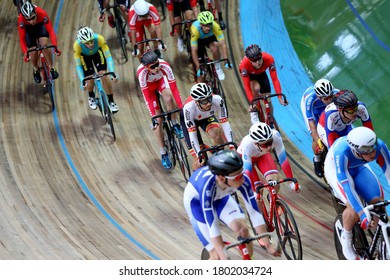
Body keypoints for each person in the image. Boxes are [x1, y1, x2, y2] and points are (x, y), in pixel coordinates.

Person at [183, 150, 281, 260]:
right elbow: (212, 226)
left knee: (243, 230)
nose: (243, 179)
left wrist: (268, 244)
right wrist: (222, 254)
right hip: (197, 205)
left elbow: (255, 213)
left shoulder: (241, 179)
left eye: (242, 173)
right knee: (217, 256)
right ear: (221, 178)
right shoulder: (207, 187)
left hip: (220, 197)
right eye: (238, 178)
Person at [324, 127, 390, 260]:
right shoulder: (341, 152)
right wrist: (361, 213)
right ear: (356, 151)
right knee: (353, 208)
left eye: (373, 147)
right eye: (366, 150)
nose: (372, 153)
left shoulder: (379, 147)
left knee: (379, 203)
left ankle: (380, 243)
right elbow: (347, 187)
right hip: (337, 171)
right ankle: (346, 241)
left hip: (359, 168)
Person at [136, 51, 184, 169]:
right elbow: (147, 97)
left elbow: (174, 90)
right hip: (149, 89)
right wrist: (154, 117)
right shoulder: (142, 74)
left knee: (169, 99)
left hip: (160, 82)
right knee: (158, 120)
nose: (157, 68)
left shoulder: (165, 66)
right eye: (153, 67)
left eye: (157, 64)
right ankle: (163, 152)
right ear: (146, 68)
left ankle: (174, 123)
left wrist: (182, 107)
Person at [237, 122, 301, 194]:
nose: (269, 147)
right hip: (246, 161)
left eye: (270, 142)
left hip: (262, 155)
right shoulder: (247, 144)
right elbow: (248, 171)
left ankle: (273, 201)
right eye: (265, 145)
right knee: (258, 191)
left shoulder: (275, 136)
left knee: (275, 184)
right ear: (256, 143)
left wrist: (291, 183)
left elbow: (283, 160)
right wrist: (253, 192)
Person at [181, 83, 233, 170]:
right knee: (200, 161)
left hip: (206, 117)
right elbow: (192, 134)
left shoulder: (217, 100)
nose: (209, 103)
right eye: (204, 101)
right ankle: (196, 181)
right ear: (197, 102)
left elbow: (225, 123)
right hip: (190, 121)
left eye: (209, 99)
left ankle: (217, 159)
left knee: (217, 133)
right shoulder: (189, 108)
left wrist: (232, 145)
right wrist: (198, 154)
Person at [239, 44, 288, 126]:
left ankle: (270, 119)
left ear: (261, 55)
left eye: (259, 59)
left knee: (268, 100)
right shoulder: (244, 65)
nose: (257, 62)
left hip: (261, 74)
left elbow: (275, 79)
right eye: (254, 61)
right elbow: (247, 87)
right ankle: (255, 111)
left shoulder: (269, 58)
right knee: (255, 88)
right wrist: (252, 102)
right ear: (250, 60)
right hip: (250, 76)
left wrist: (280, 98)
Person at [73, 26, 119, 113]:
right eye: (87, 43)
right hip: (84, 57)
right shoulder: (77, 46)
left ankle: (111, 101)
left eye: (91, 41)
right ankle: (91, 95)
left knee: (104, 75)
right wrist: (82, 80)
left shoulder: (99, 39)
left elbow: (108, 57)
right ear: (82, 43)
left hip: (97, 53)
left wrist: (113, 73)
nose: (90, 44)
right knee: (89, 79)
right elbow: (78, 66)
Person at [300, 78, 339, 177]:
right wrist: (318, 140)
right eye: (326, 98)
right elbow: (312, 126)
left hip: (326, 110)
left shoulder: (338, 94)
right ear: (319, 96)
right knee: (316, 136)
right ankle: (317, 160)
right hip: (313, 110)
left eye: (331, 96)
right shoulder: (310, 101)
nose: (329, 100)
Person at [18, 2, 61, 84]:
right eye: (28, 19)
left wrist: (55, 47)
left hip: (40, 25)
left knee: (44, 45)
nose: (31, 21)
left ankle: (52, 68)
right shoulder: (21, 19)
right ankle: (35, 69)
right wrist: (25, 53)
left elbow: (51, 31)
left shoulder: (42, 13)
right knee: (33, 52)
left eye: (33, 17)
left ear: (35, 12)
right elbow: (22, 39)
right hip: (28, 30)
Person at [190, 11, 232, 81]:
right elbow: (194, 51)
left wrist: (226, 61)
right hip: (199, 40)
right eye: (205, 25)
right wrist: (198, 67)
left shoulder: (215, 26)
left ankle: (218, 67)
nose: (208, 28)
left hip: (210, 37)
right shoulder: (195, 30)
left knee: (215, 48)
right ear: (200, 24)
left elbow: (223, 44)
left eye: (209, 24)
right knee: (201, 70)